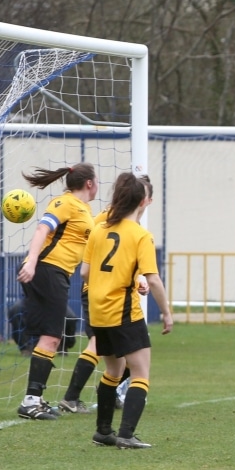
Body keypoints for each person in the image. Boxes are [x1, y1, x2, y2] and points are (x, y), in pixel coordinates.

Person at [83, 173, 173, 449]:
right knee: (140, 372)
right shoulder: (140, 235)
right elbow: (153, 278)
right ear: (144, 201)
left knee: (113, 370)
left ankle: (103, 432)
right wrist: (167, 313)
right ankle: (126, 434)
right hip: (122, 311)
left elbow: (85, 272)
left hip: (98, 312)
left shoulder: (99, 229)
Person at [59, 174, 154, 413]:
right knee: (102, 345)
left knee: (129, 352)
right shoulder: (109, 218)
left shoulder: (133, 226)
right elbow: (96, 257)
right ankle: (72, 397)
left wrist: (137, 279)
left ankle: (111, 397)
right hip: (100, 292)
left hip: (113, 293)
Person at [15, 163, 99, 420]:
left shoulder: (84, 209)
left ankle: (35, 399)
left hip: (56, 274)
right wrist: (31, 261)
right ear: (89, 183)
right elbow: (43, 228)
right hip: (47, 270)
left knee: (51, 336)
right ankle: (30, 401)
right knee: (52, 337)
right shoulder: (65, 203)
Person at [8, 299, 77, 357]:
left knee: (70, 317)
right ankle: (26, 348)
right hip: (32, 298)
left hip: (54, 299)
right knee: (16, 310)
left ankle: (63, 345)